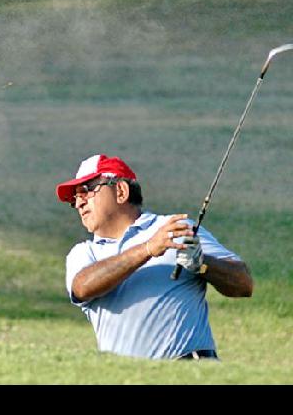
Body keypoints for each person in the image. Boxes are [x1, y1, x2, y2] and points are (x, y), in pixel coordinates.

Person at [57, 154, 253, 360]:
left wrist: (202, 263)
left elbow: (244, 284)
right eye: (74, 198)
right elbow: (82, 287)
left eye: (86, 191)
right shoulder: (84, 253)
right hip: (124, 378)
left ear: (121, 191)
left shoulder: (175, 228)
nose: (79, 203)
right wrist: (148, 248)